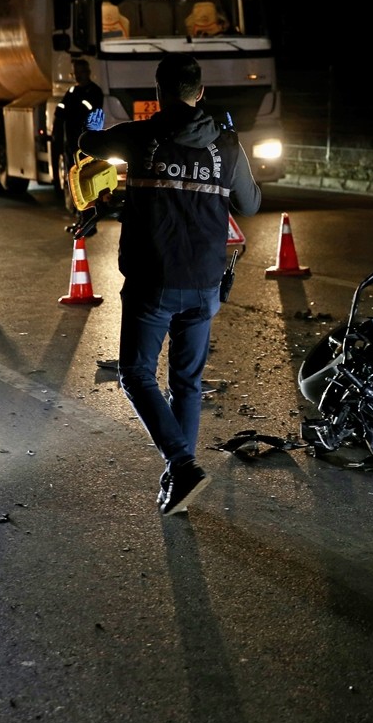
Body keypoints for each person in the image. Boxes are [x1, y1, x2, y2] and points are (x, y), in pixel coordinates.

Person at [78, 52, 262, 516]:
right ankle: (180, 476)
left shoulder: (141, 135)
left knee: (136, 375)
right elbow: (252, 204)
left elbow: (89, 142)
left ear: (158, 94)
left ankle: (181, 465)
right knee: (186, 382)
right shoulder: (228, 143)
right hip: (205, 284)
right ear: (200, 93)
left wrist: (92, 119)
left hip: (153, 283)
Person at [52, 57, 104, 224]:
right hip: (72, 144)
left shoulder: (94, 91)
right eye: (75, 73)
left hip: (87, 145)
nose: (77, 76)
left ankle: (88, 218)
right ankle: (80, 216)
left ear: (88, 73)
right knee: (74, 181)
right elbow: (60, 110)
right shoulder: (72, 92)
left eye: (80, 72)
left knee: (87, 181)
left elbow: (88, 111)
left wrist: (72, 109)